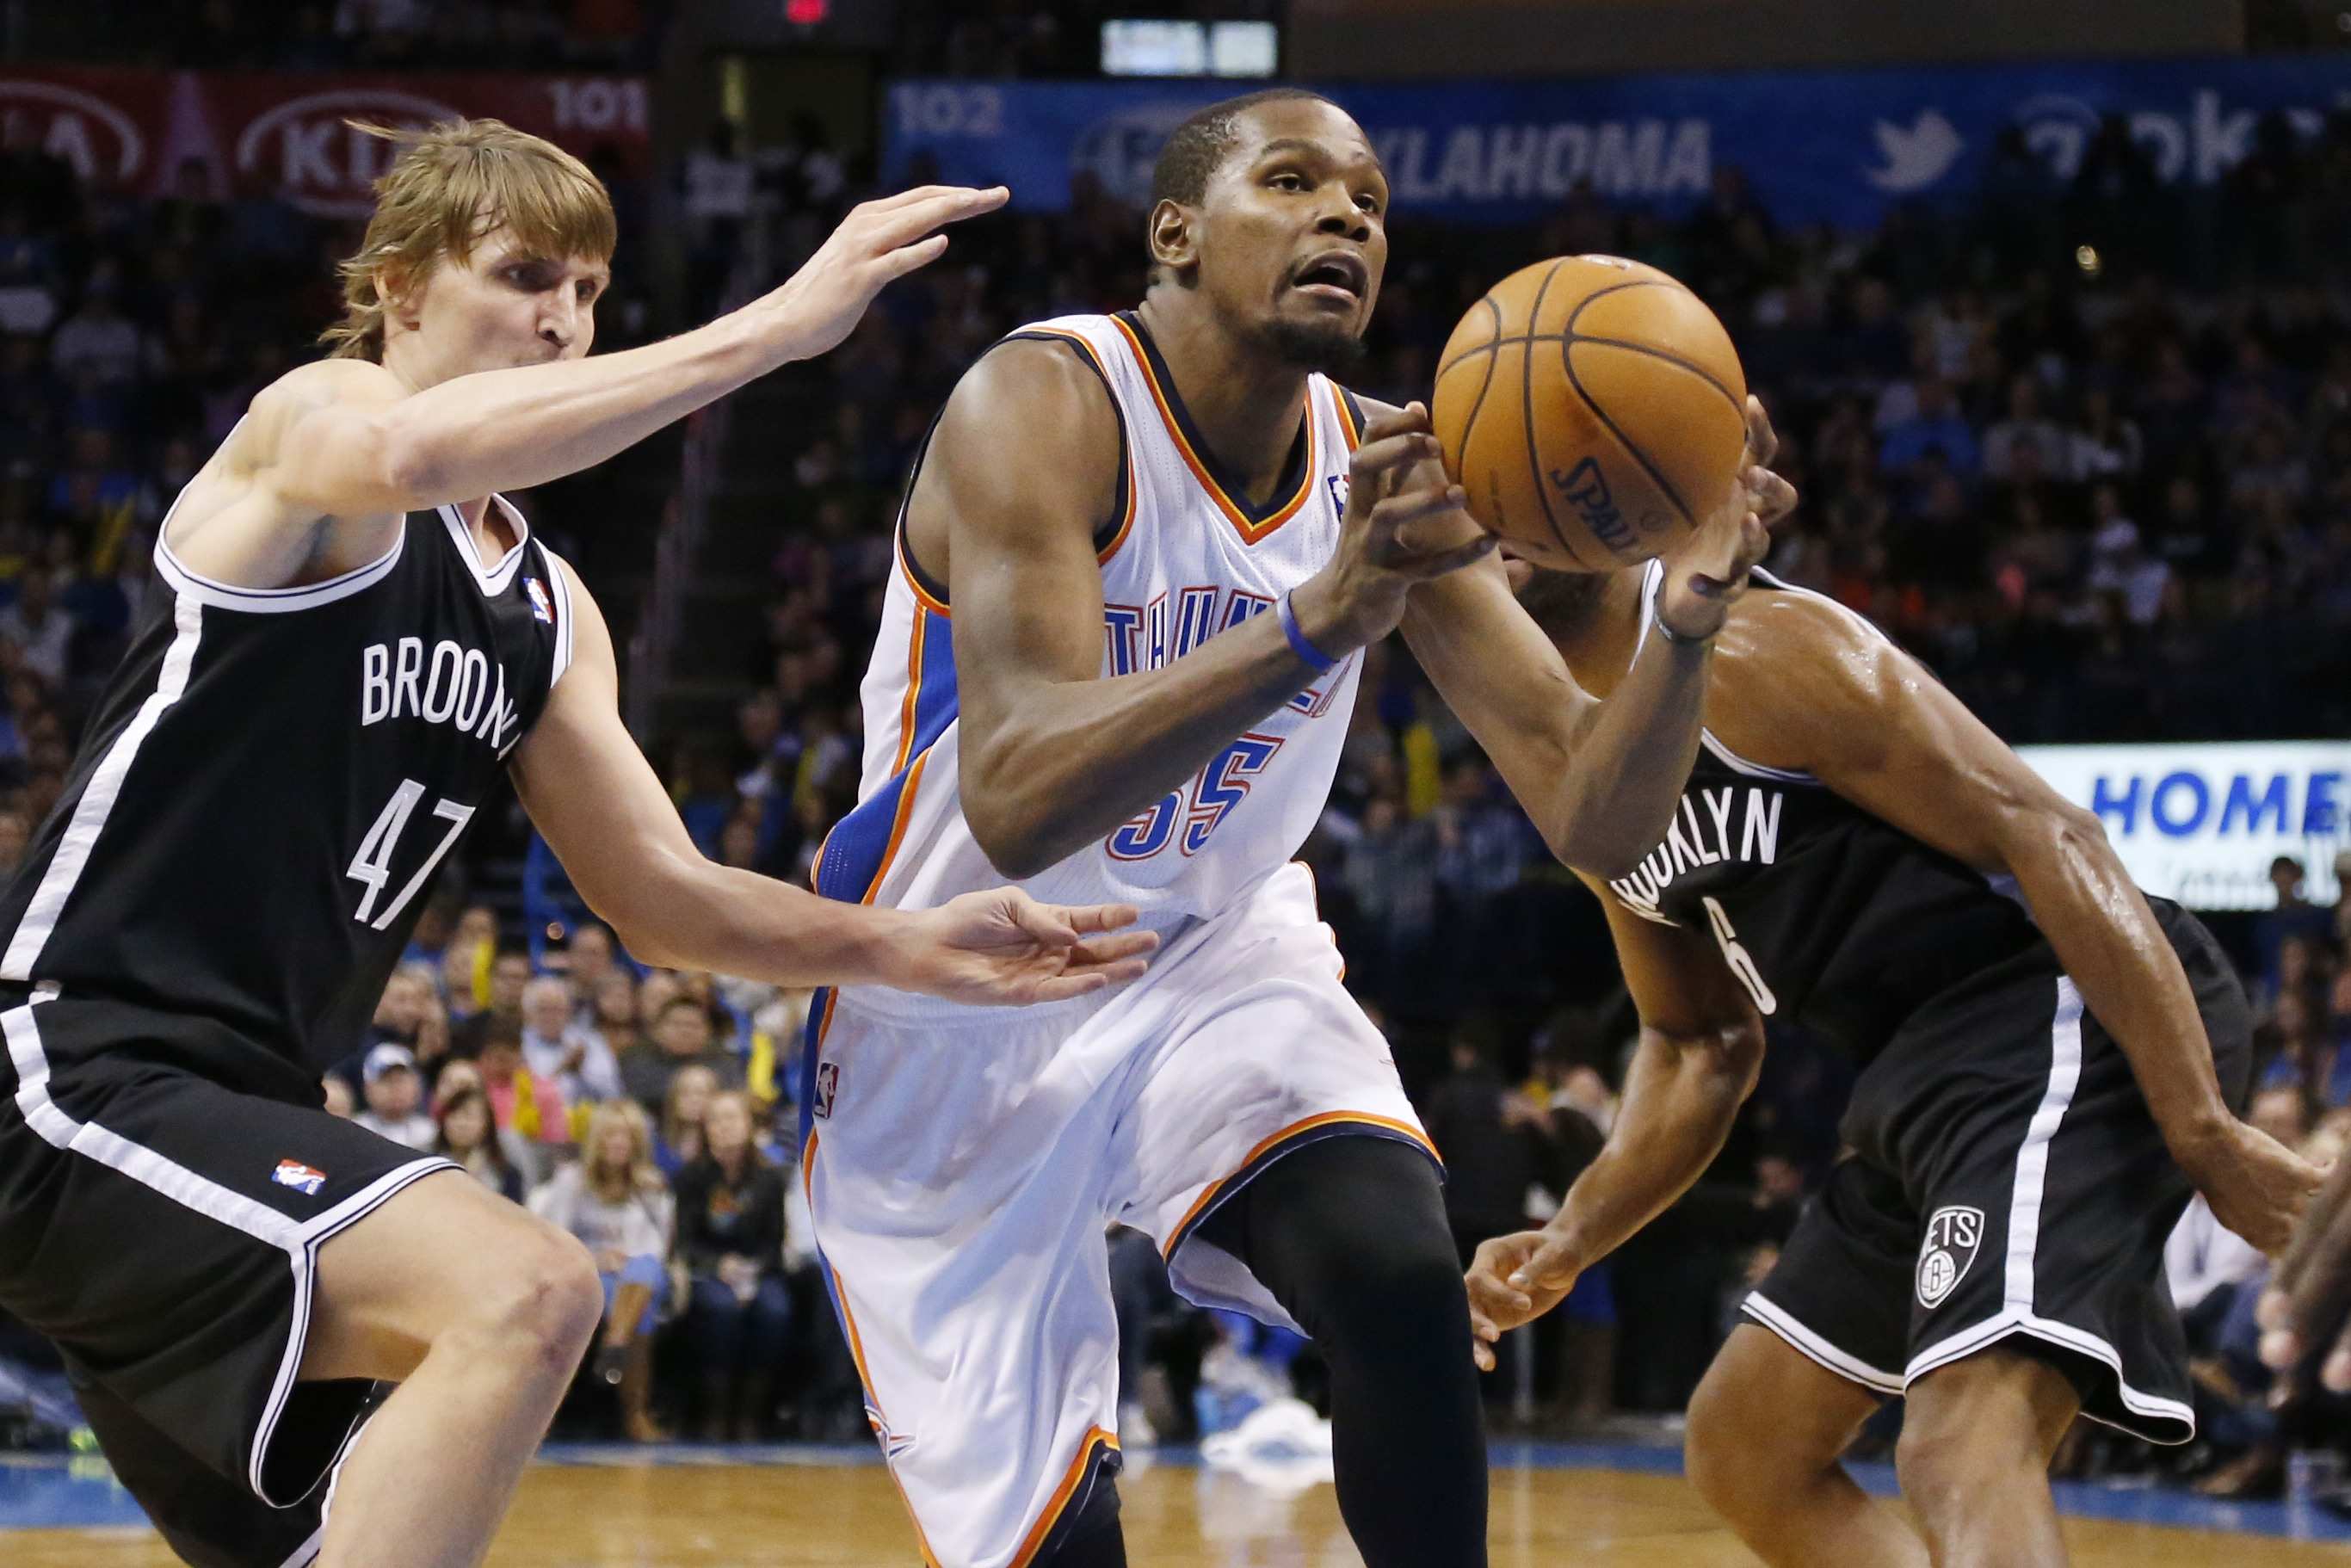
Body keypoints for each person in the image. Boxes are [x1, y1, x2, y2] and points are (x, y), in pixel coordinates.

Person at [0, 118, 1153, 1568]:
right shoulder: (319, 426)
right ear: (404, 290)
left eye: (592, 288)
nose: (563, 315)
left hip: (239, 1115)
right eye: (524, 272)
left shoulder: (549, 609)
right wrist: (781, 329)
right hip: (72, 1069)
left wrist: (908, 946)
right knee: (530, 1288)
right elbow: (410, 448)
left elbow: (664, 901)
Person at [803, 89, 1769, 1568]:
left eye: (1371, 202)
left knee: (1394, 1269)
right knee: (1064, 1551)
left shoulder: (1387, 464)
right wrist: (1321, 618)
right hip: (952, 1003)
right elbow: (1013, 795)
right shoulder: (1043, 403)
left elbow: (1593, 809)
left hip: (1208, 959)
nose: (1346, 219)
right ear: (1173, 231)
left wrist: (1682, 629)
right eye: (1297, 182)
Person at [1460, 542, 2318, 1567]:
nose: (1494, 507)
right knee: (1746, 1447)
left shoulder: (1763, 645)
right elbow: (1698, 1042)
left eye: (1520, 473)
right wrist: (1569, 1237)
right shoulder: (1578, 773)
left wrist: (2204, 1134)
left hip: (2054, 1005)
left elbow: (2054, 836)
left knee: (1960, 1439)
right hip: (1916, 1076)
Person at [528, 1100, 674, 1442]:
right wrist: (594, 1259)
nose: (619, 1143)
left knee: (644, 1274)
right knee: (641, 1304)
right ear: (596, 1139)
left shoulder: (651, 1187)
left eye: (627, 1136)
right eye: (611, 1134)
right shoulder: (571, 1181)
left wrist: (628, 1258)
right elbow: (554, 1239)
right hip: (584, 1273)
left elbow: (659, 1246)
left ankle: (615, 1342)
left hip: (637, 1274)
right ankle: (635, 1412)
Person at [673, 1089, 792, 1441]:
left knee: (776, 1312)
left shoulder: (770, 1180)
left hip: (758, 1270)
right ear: (705, 1129)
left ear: (750, 1126)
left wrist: (752, 1270)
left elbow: (775, 1243)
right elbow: (684, 1242)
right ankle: (716, 1413)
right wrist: (718, 1265)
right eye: (716, 1119)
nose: (724, 1126)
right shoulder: (690, 1179)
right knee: (721, 1311)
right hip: (708, 1270)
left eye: (732, 1117)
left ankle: (752, 1414)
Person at [521, 972, 620, 1106]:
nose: (552, 1017)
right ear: (528, 1015)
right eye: (544, 1010)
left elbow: (613, 1092)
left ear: (568, 1012)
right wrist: (562, 1069)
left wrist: (581, 1074)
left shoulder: (589, 1042)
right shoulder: (519, 1045)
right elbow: (526, 1095)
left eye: (558, 1009)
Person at [433, 1083, 524, 1204]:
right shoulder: (427, 1164)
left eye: (470, 1116)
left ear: (487, 1124)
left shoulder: (505, 1173)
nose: (462, 1124)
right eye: (455, 1116)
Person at [353, 1042, 436, 1151]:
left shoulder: (432, 1134)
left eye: (401, 1080)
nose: (396, 1088)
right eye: (386, 1080)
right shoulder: (356, 1132)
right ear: (368, 1089)